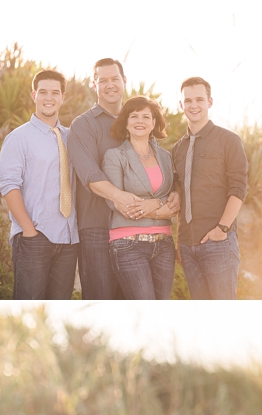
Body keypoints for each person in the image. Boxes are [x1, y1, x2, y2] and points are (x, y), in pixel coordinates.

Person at [67, 58, 181, 299]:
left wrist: (170, 198)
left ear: (124, 81)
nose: (110, 85)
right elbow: (90, 174)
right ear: (94, 84)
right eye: (103, 80)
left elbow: (157, 179)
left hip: (142, 231)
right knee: (102, 298)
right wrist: (123, 199)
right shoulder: (83, 125)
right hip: (98, 226)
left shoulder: (138, 122)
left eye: (115, 79)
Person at [0, 69, 79, 299]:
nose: (49, 98)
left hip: (68, 239)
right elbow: (9, 185)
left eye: (55, 92)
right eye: (43, 92)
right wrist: (29, 231)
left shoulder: (71, 138)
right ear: (34, 95)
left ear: (63, 97)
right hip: (35, 238)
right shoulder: (18, 138)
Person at [173, 77, 249, 299]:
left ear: (210, 102)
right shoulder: (178, 149)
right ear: (181, 105)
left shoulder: (229, 140)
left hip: (218, 243)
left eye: (199, 99)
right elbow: (180, 195)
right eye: (188, 100)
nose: (193, 105)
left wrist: (222, 230)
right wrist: (181, 242)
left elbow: (238, 188)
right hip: (187, 246)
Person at [102, 96, 177, 299]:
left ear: (154, 123)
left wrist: (158, 202)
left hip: (164, 245)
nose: (140, 121)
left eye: (146, 116)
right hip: (128, 244)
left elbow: (172, 200)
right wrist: (161, 207)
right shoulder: (114, 156)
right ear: (126, 122)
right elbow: (120, 204)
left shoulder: (166, 157)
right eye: (134, 116)